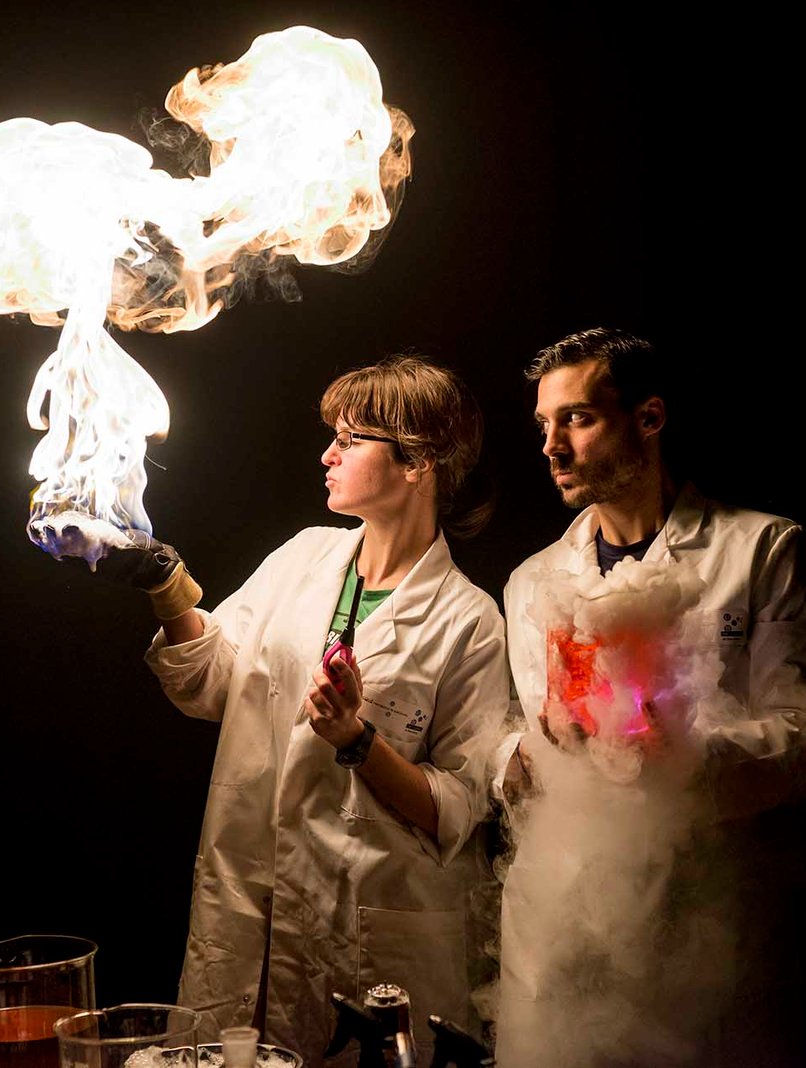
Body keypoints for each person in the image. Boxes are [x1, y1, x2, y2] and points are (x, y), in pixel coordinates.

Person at [100, 355, 510, 1065]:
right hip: (249, 908)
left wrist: (357, 740)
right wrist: (167, 587)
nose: (328, 454)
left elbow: (458, 808)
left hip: (368, 941)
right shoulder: (303, 556)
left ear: (420, 461)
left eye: (352, 440)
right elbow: (210, 682)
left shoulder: (470, 621)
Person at [492, 327, 806, 1067]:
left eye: (577, 419)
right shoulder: (531, 584)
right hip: (566, 933)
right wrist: (523, 753)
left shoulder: (761, 552)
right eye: (543, 426)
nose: (551, 447)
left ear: (648, 419)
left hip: (707, 932)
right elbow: (528, 747)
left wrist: (677, 755)